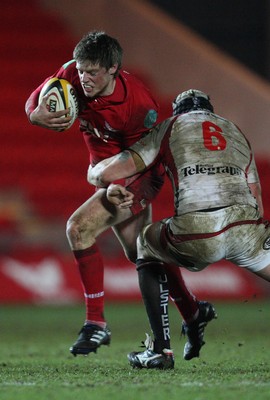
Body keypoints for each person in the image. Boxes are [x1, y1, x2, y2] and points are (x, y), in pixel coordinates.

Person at [25, 31, 216, 360]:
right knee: (142, 253)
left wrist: (118, 186)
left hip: (141, 173)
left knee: (79, 227)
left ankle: (96, 322)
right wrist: (34, 114)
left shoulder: (138, 105)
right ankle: (193, 312)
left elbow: (143, 158)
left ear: (113, 69)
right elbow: (38, 98)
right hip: (108, 174)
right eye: (81, 70)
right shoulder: (72, 73)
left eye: (93, 72)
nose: (83, 78)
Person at [88, 88, 270, 369]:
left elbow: (112, 172)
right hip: (245, 226)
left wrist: (95, 172)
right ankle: (193, 315)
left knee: (145, 245)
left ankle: (161, 351)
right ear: (210, 110)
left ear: (178, 112)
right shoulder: (235, 131)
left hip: (199, 230)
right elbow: (255, 195)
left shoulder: (170, 126)